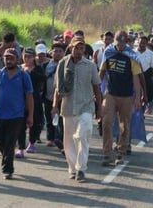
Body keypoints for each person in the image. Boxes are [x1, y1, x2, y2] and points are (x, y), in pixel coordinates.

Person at [52, 36, 102, 182]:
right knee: (68, 141)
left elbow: (96, 87)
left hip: (86, 106)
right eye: (76, 48)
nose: (79, 51)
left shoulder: (90, 66)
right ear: (71, 48)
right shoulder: (63, 64)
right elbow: (58, 88)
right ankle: (72, 168)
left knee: (82, 136)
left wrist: (99, 107)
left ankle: (81, 168)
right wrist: (55, 106)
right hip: (68, 107)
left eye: (81, 48)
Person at [0, 48, 34, 180]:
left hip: (17, 115)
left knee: (10, 141)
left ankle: (8, 169)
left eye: (11, 58)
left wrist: (30, 115)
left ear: (17, 59)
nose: (9, 60)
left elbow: (29, 96)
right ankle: (7, 155)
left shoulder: (23, 75)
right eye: (6, 58)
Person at [99, 31, 141, 167]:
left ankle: (120, 153)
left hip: (126, 95)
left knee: (124, 126)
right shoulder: (108, 52)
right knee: (106, 122)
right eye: (118, 44)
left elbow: (136, 78)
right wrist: (97, 91)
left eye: (123, 44)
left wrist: (137, 98)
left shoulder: (132, 56)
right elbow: (102, 72)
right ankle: (107, 153)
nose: (120, 47)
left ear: (126, 42)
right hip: (111, 93)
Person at [15, 48, 46, 158]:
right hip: (20, 100)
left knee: (34, 122)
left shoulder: (38, 69)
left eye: (29, 56)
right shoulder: (18, 69)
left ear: (34, 57)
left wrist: (31, 73)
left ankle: (32, 143)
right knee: (20, 124)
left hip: (34, 99)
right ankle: (20, 148)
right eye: (25, 56)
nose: (27, 58)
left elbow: (43, 79)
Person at [42, 43, 66, 151]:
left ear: (64, 53)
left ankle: (60, 138)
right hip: (48, 96)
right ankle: (50, 138)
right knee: (48, 117)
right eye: (55, 51)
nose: (57, 53)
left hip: (62, 97)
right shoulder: (46, 65)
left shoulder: (67, 65)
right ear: (51, 53)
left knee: (61, 119)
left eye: (60, 51)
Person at [135, 36, 153, 114]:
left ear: (147, 44)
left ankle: (148, 107)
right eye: (140, 42)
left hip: (147, 75)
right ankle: (139, 111)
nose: (142, 44)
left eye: (144, 43)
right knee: (137, 94)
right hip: (136, 76)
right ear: (138, 42)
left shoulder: (150, 53)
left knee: (148, 93)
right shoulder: (133, 52)